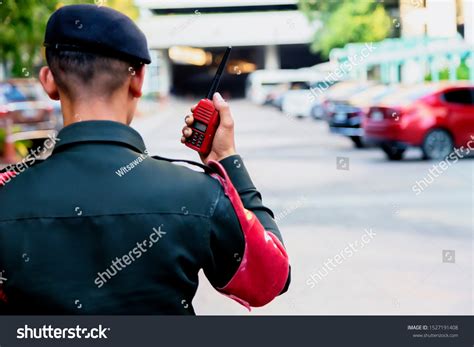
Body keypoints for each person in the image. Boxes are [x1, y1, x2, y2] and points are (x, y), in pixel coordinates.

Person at [0, 4, 290, 314]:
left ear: (48, 81)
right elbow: (270, 278)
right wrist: (227, 159)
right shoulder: (198, 194)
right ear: (139, 79)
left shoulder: (7, 196)